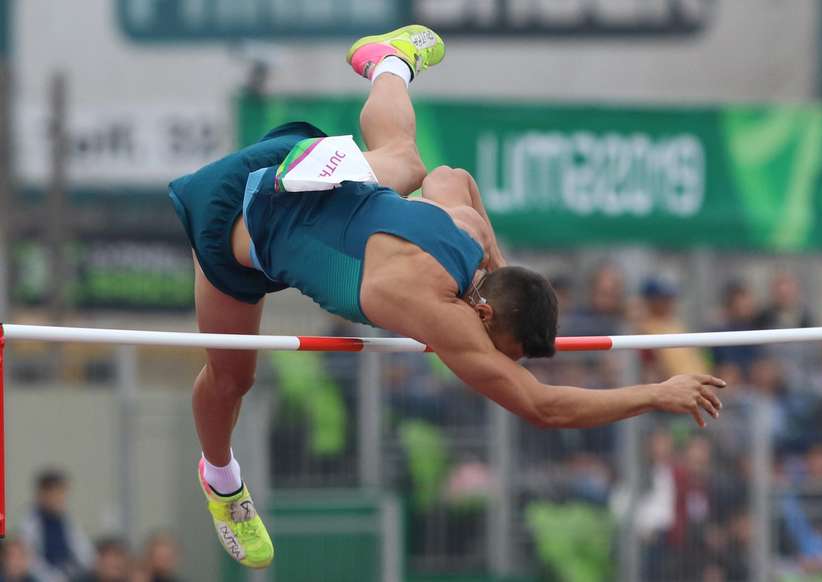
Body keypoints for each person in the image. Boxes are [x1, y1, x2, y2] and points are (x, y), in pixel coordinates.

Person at [169, 24, 726, 569]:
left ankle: (390, 64)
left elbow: (452, 175)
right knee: (232, 378)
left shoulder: (466, 229)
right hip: (236, 220)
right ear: (481, 312)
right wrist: (657, 392)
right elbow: (542, 406)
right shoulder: (443, 313)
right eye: (503, 349)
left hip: (308, 169)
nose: (497, 360)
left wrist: (503, 268)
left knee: (407, 162)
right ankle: (222, 479)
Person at [18, 470, 93, 582]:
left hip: (70, 575)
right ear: (42, 495)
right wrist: (54, 578)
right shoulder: (29, 522)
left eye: (61, 493)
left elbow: (85, 552)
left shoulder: (67, 520)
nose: (59, 499)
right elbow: (31, 561)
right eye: (54, 493)